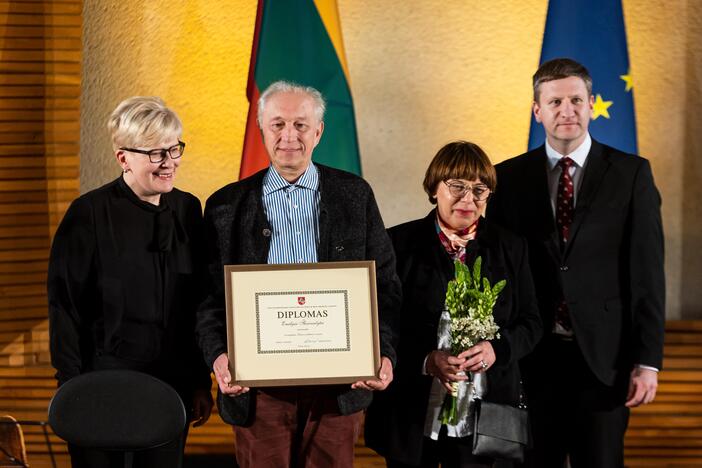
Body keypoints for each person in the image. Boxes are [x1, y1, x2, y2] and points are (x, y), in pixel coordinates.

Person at [195, 80, 401, 468]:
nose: (289, 136)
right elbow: (209, 299)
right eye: (278, 124)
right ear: (261, 129)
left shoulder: (354, 195)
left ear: (319, 132)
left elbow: (385, 287)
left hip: (338, 388)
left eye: (301, 125)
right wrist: (220, 357)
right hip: (259, 391)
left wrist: (384, 353)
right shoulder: (226, 206)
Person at [488, 58, 665, 468]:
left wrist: (648, 361)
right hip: (531, 362)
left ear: (590, 104)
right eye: (554, 102)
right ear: (537, 110)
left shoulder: (631, 173)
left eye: (575, 100)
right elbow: (499, 272)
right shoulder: (507, 178)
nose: (566, 110)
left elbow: (647, 275)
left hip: (605, 363)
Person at [48, 96, 213, 468]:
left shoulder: (188, 209)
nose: (169, 162)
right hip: (100, 383)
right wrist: (72, 389)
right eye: (155, 153)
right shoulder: (88, 213)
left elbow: (195, 303)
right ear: (123, 157)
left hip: (169, 386)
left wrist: (199, 381)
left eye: (174, 149)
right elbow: (65, 308)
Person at [364, 141, 542, 468]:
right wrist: (426, 360)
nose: (468, 199)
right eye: (456, 186)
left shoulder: (510, 247)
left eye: (479, 189)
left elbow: (531, 324)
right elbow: (376, 324)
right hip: (412, 407)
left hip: (485, 414)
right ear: (434, 188)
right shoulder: (396, 244)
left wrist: (496, 350)